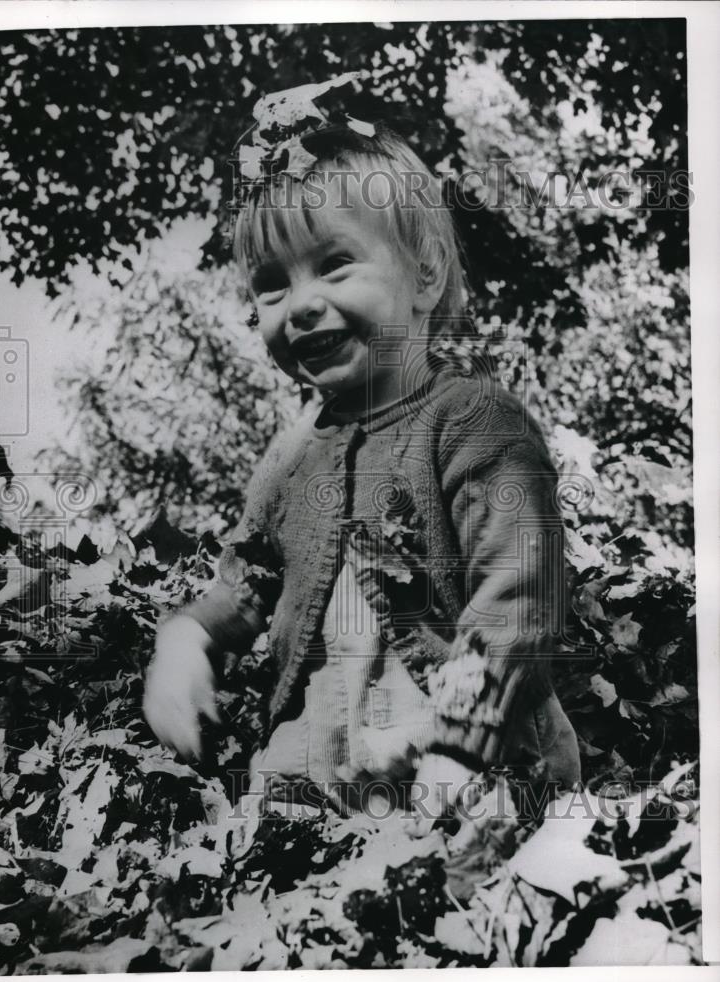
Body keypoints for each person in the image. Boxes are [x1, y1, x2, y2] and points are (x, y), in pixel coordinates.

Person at [143, 73, 581, 826]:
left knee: (469, 880)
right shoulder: (290, 457)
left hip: (462, 751)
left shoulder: (473, 420)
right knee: (274, 892)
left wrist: (463, 743)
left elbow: (520, 590)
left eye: (335, 263)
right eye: (272, 286)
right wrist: (185, 642)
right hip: (318, 755)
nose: (302, 302)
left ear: (425, 274)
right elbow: (243, 583)